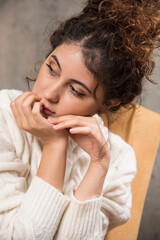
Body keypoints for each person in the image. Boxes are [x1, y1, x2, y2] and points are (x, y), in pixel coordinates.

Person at [0, 0, 159, 239]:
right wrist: (55, 144)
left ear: (108, 104)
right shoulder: (4, 115)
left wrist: (98, 164)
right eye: (52, 69)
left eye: (76, 90)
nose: (49, 94)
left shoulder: (116, 159)